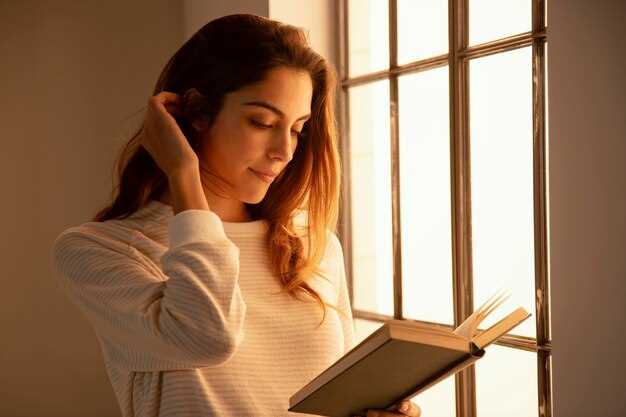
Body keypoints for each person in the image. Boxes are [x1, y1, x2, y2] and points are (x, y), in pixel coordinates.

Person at [51, 13, 421, 417]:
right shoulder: (99, 250)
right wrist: (183, 173)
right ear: (193, 113)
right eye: (262, 122)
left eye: (297, 128)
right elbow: (207, 337)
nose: (285, 150)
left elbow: (333, 399)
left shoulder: (312, 246)